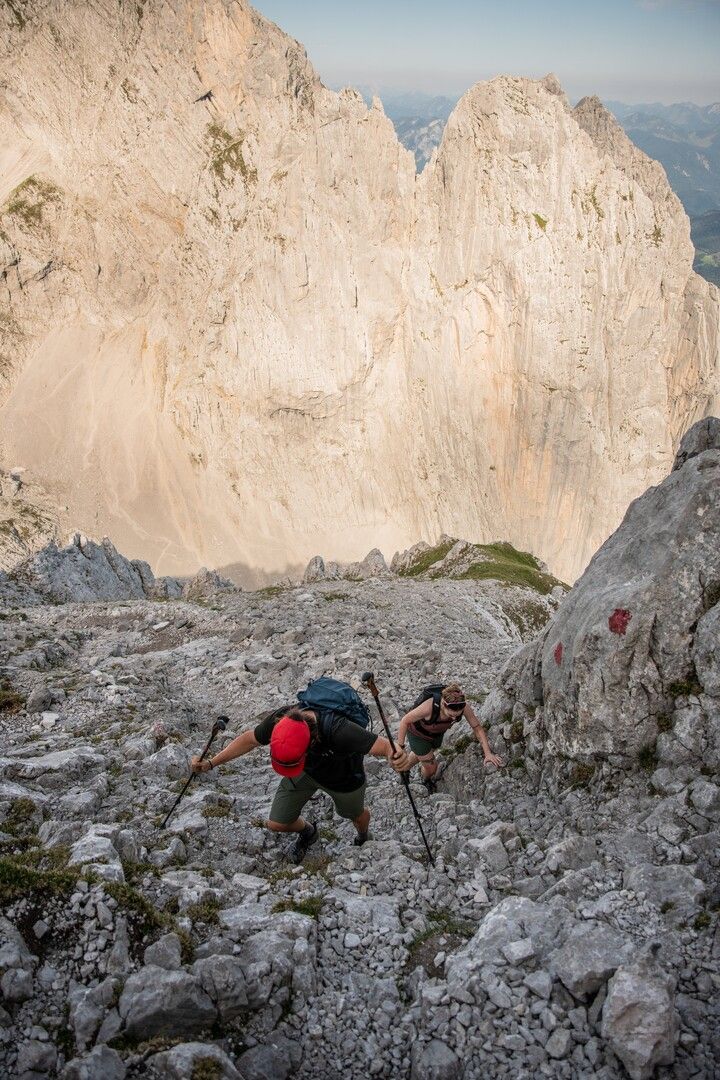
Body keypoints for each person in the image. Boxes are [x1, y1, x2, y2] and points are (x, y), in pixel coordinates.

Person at [192, 704, 410, 862]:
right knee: (277, 822)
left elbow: (385, 747)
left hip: (344, 778)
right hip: (305, 771)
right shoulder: (281, 722)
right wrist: (210, 763)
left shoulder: (339, 730)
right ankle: (308, 832)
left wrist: (397, 756)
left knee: (355, 815)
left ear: (312, 741)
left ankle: (363, 836)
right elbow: (250, 739)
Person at [397, 683, 504, 793]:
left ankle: (404, 769)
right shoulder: (429, 707)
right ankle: (426, 780)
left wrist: (488, 754)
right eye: (451, 715)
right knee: (432, 768)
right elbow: (405, 721)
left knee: (421, 753)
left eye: (457, 716)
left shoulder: (463, 707)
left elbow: (477, 728)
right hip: (418, 735)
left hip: (436, 735)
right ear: (443, 704)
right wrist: (400, 747)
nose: (454, 718)